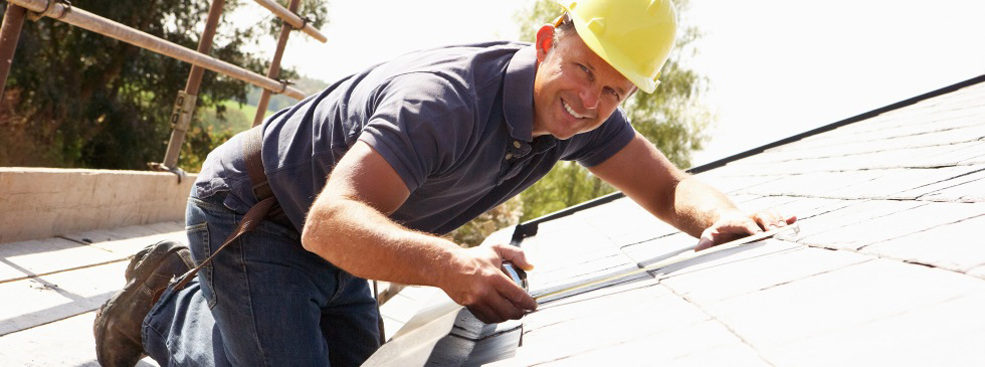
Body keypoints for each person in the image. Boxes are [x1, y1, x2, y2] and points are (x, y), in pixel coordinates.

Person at [94, 0, 795, 366]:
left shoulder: (580, 118)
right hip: (259, 213)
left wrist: (725, 217)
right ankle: (161, 304)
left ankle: (212, 306)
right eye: (583, 70)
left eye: (613, 90)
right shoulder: (445, 102)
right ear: (549, 40)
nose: (589, 101)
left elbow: (668, 188)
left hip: (342, 238)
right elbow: (328, 221)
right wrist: (450, 264)